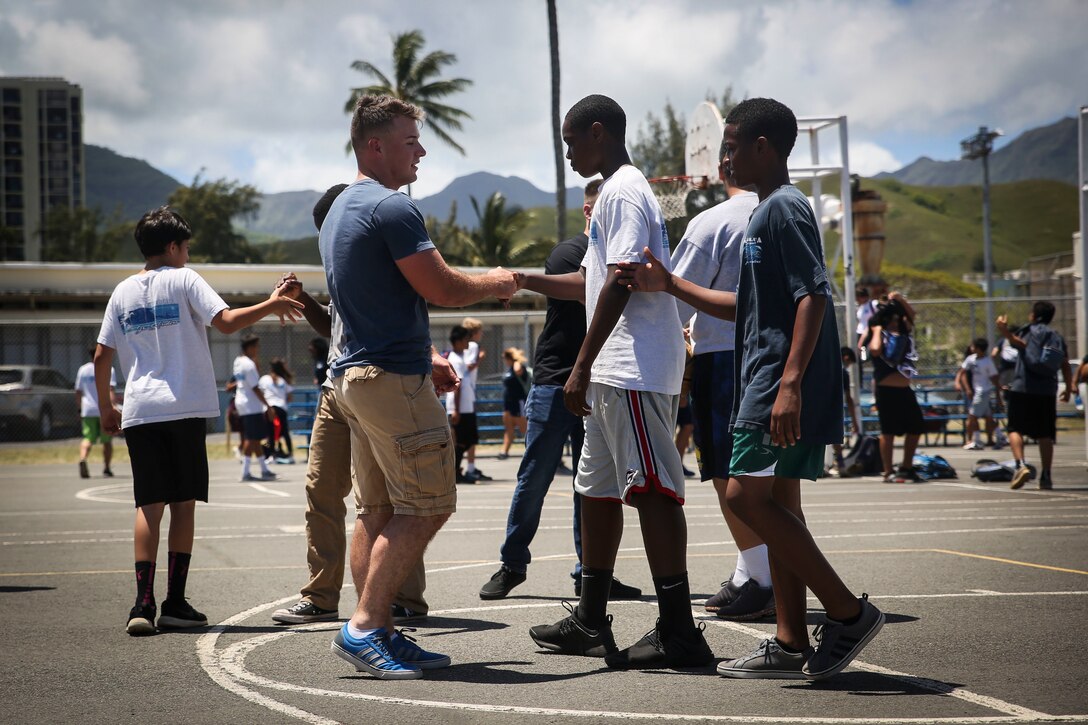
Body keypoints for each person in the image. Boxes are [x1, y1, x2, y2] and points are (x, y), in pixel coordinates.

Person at [618, 97, 884, 680]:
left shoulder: (782, 210)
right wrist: (671, 285)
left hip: (774, 382)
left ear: (763, 147)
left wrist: (788, 384)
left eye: (733, 146)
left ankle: (846, 612)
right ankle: (789, 641)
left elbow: (813, 295)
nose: (725, 157)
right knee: (779, 505)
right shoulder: (769, 211)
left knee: (742, 498)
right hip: (767, 374)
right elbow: (748, 306)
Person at [322, 94, 517, 680]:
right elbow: (445, 289)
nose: (422, 151)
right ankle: (364, 625)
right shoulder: (391, 208)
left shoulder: (339, 209)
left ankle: (377, 626)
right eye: (411, 141)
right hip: (390, 381)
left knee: (377, 509)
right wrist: (502, 281)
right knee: (430, 504)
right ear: (374, 144)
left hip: (353, 378)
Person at [521, 94, 711, 670]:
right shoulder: (611, 193)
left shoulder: (624, 190)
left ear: (597, 133)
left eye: (570, 141)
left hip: (629, 369)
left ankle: (679, 630)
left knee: (651, 491)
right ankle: (590, 618)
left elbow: (624, 279)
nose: (568, 152)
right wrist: (520, 278)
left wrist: (580, 364)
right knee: (596, 492)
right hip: (610, 372)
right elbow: (590, 282)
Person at [94, 205, 303, 636]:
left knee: (147, 506)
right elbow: (225, 323)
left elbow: (102, 355)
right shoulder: (184, 279)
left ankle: (141, 603)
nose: (187, 254)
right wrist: (271, 302)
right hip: (183, 407)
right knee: (183, 504)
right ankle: (174, 602)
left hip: (139, 410)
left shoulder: (121, 292)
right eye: (185, 246)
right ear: (172, 247)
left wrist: (106, 407)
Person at [271, 185, 434, 628]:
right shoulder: (342, 260)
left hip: (378, 382)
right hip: (337, 385)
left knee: (395, 497)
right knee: (321, 490)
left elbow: (412, 311)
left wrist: (430, 358)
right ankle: (321, 596)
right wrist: (304, 300)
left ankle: (404, 598)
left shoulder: (379, 241)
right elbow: (334, 325)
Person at [479, 180, 641, 602]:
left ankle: (590, 571)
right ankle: (512, 564)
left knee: (591, 482)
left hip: (597, 381)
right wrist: (525, 278)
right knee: (535, 476)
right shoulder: (571, 253)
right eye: (600, 208)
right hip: (556, 381)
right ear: (590, 212)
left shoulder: (618, 255)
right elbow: (583, 289)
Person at [668, 154, 773, 622]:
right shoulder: (787, 210)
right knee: (764, 472)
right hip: (772, 354)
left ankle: (764, 578)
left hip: (723, 357)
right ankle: (748, 571)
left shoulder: (712, 221)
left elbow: (674, 292)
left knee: (725, 473)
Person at [997, 302, 1074, 490]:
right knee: (1045, 434)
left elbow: (1020, 345)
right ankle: (1046, 475)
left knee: (1015, 429)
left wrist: (1004, 331)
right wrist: (1069, 387)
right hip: (1046, 390)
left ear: (1033, 315)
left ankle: (1020, 466)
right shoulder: (1055, 336)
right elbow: (1064, 363)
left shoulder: (1028, 331)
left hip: (1022, 387)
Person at [868, 293, 925, 483]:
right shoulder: (878, 332)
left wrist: (900, 300)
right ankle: (887, 470)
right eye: (890, 319)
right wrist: (876, 328)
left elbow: (912, 316)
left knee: (916, 426)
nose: (894, 322)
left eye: (895, 318)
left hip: (904, 389)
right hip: (886, 391)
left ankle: (906, 467)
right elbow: (875, 350)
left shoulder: (902, 331)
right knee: (888, 431)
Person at [233, 335, 277, 482]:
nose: (258, 349)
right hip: (251, 405)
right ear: (250, 347)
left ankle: (264, 469)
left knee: (256, 438)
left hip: (243, 403)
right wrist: (268, 406)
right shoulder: (248, 365)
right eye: (256, 346)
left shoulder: (238, 361)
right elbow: (255, 388)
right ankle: (245, 472)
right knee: (251, 438)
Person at [75, 346, 118, 479]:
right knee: (107, 440)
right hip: (102, 409)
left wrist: (79, 408)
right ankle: (106, 468)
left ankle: (83, 458)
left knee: (88, 437)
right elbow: (110, 391)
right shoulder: (109, 369)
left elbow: (78, 391)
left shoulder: (83, 370)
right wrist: (113, 407)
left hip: (88, 410)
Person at [446, 325, 480, 483]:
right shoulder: (455, 360)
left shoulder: (461, 358)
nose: (469, 342)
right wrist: (456, 410)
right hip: (460, 409)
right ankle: (454, 472)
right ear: (458, 341)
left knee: (469, 440)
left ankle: (456, 470)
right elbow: (457, 388)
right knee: (460, 441)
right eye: (466, 339)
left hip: (466, 407)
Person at [956, 338, 1002, 450]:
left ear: (979, 348)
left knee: (972, 416)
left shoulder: (987, 361)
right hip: (976, 391)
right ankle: (1001, 437)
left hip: (983, 392)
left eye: (973, 346)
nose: (971, 348)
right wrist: (959, 383)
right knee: (988, 417)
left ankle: (977, 441)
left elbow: (994, 378)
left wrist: (998, 395)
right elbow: (961, 372)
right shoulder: (971, 359)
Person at [459, 317, 491, 481]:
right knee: (470, 434)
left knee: (465, 433)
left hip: (465, 393)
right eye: (480, 331)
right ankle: (470, 467)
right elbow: (468, 366)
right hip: (467, 394)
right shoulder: (473, 346)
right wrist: (480, 358)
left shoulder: (463, 346)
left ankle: (467, 466)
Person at [829, 347, 862, 477]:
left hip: (817, 405)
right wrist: (855, 420)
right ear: (846, 358)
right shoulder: (843, 373)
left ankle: (833, 463)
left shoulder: (827, 368)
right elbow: (848, 398)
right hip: (832, 407)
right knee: (835, 436)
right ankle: (840, 463)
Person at [259, 357, 295, 463]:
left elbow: (260, 392)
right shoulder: (283, 380)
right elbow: (289, 397)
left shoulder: (264, 379)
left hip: (269, 408)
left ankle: (271, 455)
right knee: (284, 431)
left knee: (270, 431)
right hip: (281, 408)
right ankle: (291, 454)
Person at [498, 347, 530, 460]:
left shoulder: (519, 367)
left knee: (525, 429)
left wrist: (516, 360)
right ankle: (504, 452)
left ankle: (534, 451)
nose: (504, 361)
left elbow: (518, 370)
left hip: (519, 403)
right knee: (509, 429)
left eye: (505, 358)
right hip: (508, 404)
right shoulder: (509, 370)